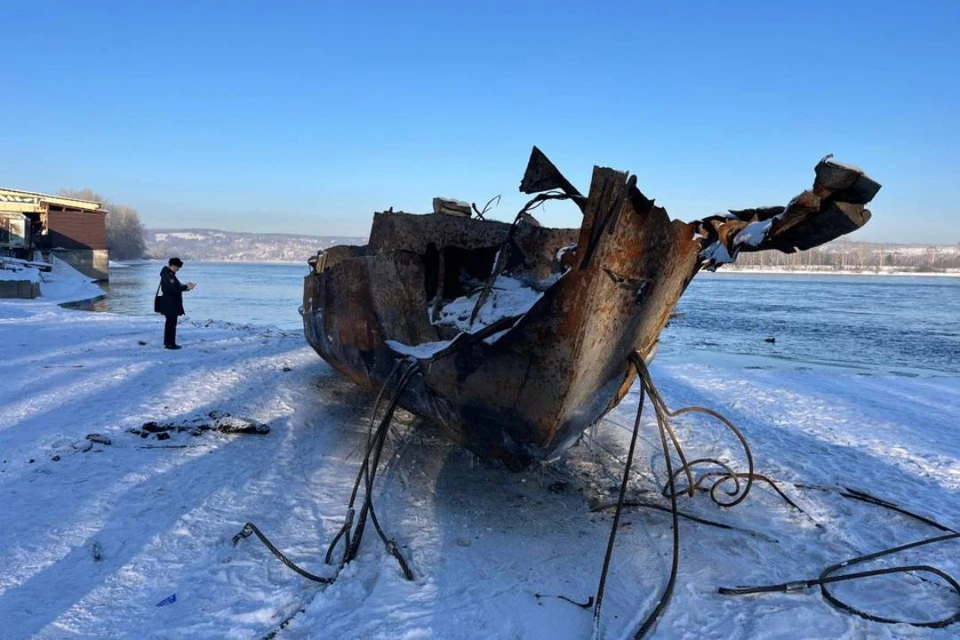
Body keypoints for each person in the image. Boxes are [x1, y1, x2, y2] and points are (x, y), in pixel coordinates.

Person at [158, 257, 195, 349]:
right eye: (178, 267)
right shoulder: (168, 275)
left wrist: (186, 288)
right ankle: (170, 343)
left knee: (170, 323)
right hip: (170, 302)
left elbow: (175, 287)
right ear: (173, 265)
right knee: (171, 323)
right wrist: (186, 286)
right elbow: (174, 288)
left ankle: (169, 342)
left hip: (170, 302)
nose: (178, 269)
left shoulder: (168, 274)